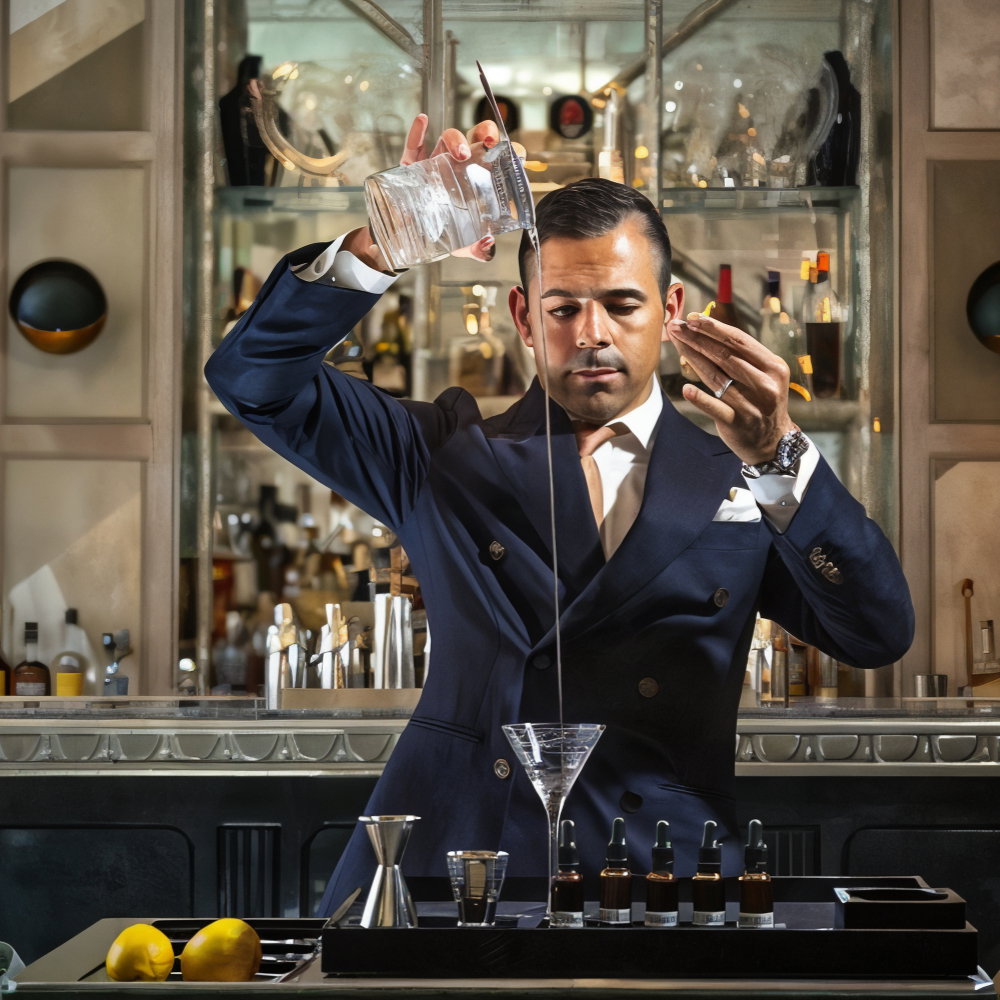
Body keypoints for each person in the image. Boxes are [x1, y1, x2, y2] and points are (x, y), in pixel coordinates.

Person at [205, 115, 913, 913]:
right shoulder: (441, 453)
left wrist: (781, 456)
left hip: (658, 874)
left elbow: (876, 633)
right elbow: (250, 378)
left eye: (621, 304)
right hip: (456, 862)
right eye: (563, 308)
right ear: (522, 316)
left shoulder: (739, 473)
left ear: (672, 309)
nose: (592, 334)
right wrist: (386, 243)